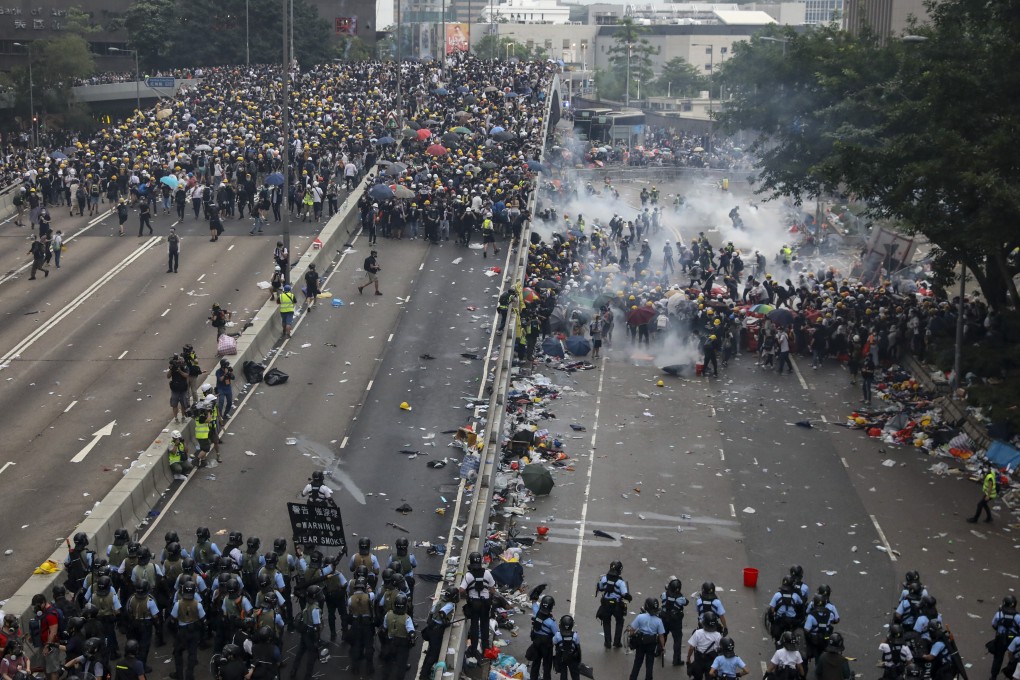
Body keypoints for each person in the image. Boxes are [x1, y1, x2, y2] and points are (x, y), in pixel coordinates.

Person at [459, 551, 496, 657]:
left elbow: (461, 590)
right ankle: (486, 648)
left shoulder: (468, 575)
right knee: (485, 625)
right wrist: (490, 596)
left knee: (474, 626)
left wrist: (467, 596)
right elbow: (492, 589)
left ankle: (474, 648)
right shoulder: (487, 573)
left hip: (474, 604)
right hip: (485, 604)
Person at [170, 580, 205, 680]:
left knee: (178, 653)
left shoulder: (178, 604)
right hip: (194, 630)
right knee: (192, 653)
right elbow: (203, 619)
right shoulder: (198, 604)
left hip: (182, 631)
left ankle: (179, 674)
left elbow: (173, 618)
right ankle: (189, 674)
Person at [420, 587, 457, 680]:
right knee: (434, 654)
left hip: (431, 627)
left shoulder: (440, 601)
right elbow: (442, 612)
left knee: (430, 652)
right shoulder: (449, 605)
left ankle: (424, 672)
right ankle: (424, 676)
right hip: (436, 630)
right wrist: (445, 621)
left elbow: (432, 611)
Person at [627, 598, 665, 680]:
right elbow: (661, 635)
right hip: (651, 644)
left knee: (637, 662)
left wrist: (632, 635)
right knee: (649, 664)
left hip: (640, 642)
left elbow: (632, 630)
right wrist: (662, 647)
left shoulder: (640, 617)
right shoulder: (659, 621)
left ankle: (633, 678)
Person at [596, 560, 631, 649]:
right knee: (619, 622)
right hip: (617, 605)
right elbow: (625, 594)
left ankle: (607, 642)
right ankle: (616, 642)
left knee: (606, 622)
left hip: (606, 605)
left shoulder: (604, 578)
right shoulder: (620, 582)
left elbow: (600, 587)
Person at [381, 592, 415, 680]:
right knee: (401, 665)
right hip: (402, 645)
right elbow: (411, 632)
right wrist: (412, 639)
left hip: (390, 643)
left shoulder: (388, 614)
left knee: (387, 663)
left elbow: (384, 628)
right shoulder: (407, 618)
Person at [990, 596, 1020, 679]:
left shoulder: (999, 614)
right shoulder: (1017, 616)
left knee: (998, 658)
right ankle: (1012, 675)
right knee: (1014, 658)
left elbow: (994, 624)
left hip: (1001, 638)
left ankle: (993, 676)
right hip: (1012, 638)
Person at [686, 612, 722, 680]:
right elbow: (719, 649)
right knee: (710, 677)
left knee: (697, 677)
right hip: (711, 660)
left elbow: (691, 648)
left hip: (699, 659)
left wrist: (688, 658)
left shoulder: (698, 633)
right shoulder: (718, 635)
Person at [531, 595, 559, 680]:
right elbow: (557, 635)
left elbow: (534, 604)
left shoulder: (536, 613)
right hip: (546, 646)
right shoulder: (551, 622)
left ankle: (533, 678)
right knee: (547, 665)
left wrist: (534, 599)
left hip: (536, 643)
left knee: (535, 663)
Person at [661, 578, 688, 666]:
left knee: (663, 636)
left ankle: (659, 651)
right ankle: (676, 660)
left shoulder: (664, 594)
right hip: (675, 621)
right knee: (677, 640)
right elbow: (686, 602)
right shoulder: (680, 598)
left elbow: (662, 597)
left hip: (664, 619)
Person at [553, 614, 582, 680]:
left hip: (562, 657)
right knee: (575, 675)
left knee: (563, 674)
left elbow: (554, 642)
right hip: (573, 658)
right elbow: (578, 647)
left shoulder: (557, 635)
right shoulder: (575, 635)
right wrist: (579, 661)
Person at [167, 354, 190, 423]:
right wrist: (171, 369)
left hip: (183, 389)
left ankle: (183, 417)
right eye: (178, 361)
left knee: (183, 404)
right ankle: (176, 418)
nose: (179, 362)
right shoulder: (173, 368)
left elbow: (186, 375)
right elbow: (168, 376)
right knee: (174, 404)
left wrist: (180, 371)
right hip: (175, 389)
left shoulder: (185, 367)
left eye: (181, 361)